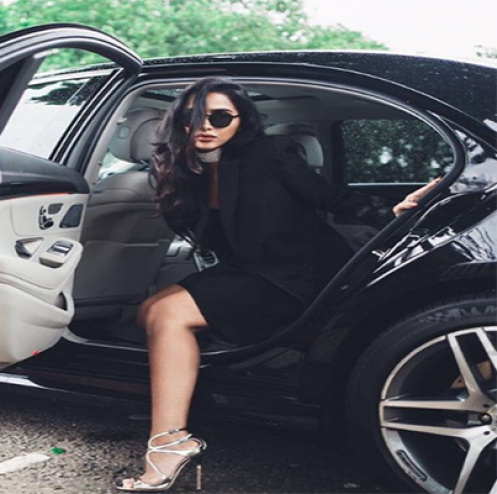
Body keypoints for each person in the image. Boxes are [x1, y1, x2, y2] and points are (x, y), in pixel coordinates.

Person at [114, 77, 440, 492]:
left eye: (220, 117)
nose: (206, 126)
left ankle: (169, 444)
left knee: (167, 314)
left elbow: (332, 198)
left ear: (241, 121)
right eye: (193, 117)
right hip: (248, 271)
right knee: (150, 309)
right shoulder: (184, 169)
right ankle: (241, 366)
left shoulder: (272, 153)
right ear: (178, 122)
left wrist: (392, 213)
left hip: (300, 275)